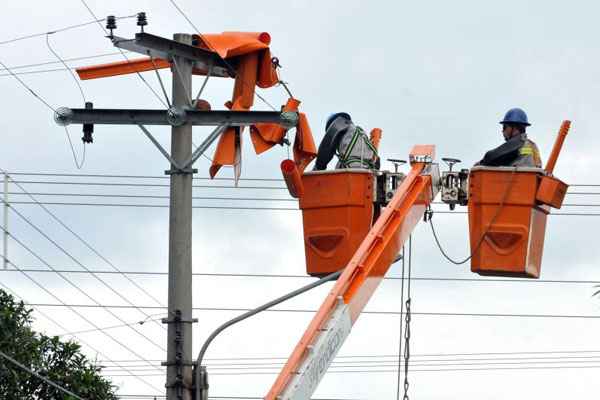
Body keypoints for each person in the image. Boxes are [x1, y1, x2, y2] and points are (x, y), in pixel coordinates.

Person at [477, 108, 542, 168]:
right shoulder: (532, 145)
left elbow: (491, 157)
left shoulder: (518, 143)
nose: (502, 131)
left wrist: (480, 163)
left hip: (518, 179)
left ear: (515, 128)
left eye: (504, 127)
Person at [313, 112, 379, 170]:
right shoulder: (360, 134)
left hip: (353, 170)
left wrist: (318, 167)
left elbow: (327, 145)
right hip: (365, 171)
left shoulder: (339, 122)